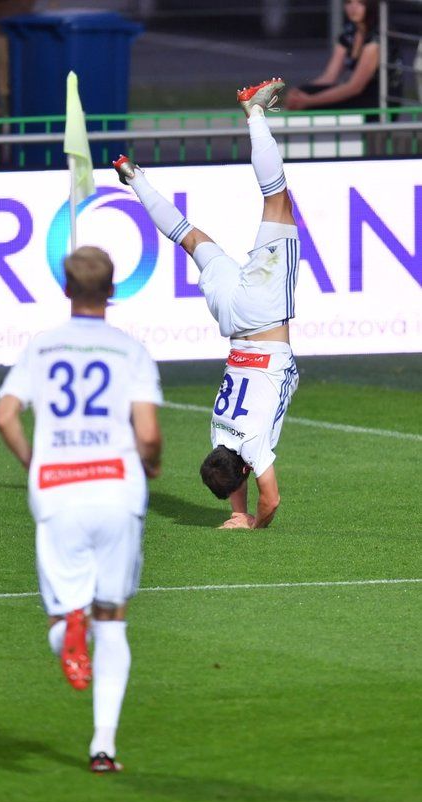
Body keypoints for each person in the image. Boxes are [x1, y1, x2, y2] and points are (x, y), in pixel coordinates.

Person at [0, 246, 163, 773]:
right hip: (116, 489)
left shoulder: (41, 349)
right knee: (112, 620)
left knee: (67, 611)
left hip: (58, 489)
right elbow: (149, 434)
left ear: (66, 289)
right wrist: (151, 464)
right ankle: (103, 747)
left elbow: (4, 416)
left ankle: (70, 628)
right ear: (112, 291)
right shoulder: (130, 351)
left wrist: (33, 461)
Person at [113, 78, 300, 530]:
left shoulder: (251, 448)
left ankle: (253, 112)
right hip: (230, 315)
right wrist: (236, 510)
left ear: (242, 471)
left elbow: (270, 500)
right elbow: (231, 464)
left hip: (262, 316)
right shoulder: (217, 432)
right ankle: (134, 177)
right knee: (190, 238)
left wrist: (252, 520)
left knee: (277, 200)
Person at [284, 0, 379, 114]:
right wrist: (299, 93)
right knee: (300, 95)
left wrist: (310, 101)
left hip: (375, 99)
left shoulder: (375, 38)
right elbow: (329, 77)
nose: (353, 8)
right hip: (355, 93)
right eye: (349, 3)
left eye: (360, 3)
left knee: (307, 104)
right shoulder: (349, 33)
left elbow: (355, 87)